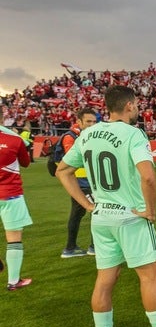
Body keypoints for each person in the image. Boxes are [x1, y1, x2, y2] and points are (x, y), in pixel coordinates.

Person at [56, 86, 156, 327]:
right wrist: (150, 210)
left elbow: (63, 170)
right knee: (150, 276)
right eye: (137, 103)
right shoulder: (133, 134)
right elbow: (149, 177)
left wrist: (87, 205)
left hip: (101, 217)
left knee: (105, 281)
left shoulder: (87, 134)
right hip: (130, 217)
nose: (138, 107)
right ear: (129, 105)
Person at [0, 107, 32, 290]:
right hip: (11, 194)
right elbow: (26, 163)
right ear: (3, 117)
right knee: (13, 238)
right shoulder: (14, 140)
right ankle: (13, 281)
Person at [60, 108, 98, 258]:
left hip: (85, 182)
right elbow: (73, 158)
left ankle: (70, 248)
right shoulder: (71, 138)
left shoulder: (87, 136)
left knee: (77, 214)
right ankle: (93, 247)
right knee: (97, 212)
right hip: (81, 184)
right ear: (79, 122)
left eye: (94, 121)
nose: (92, 124)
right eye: (88, 121)